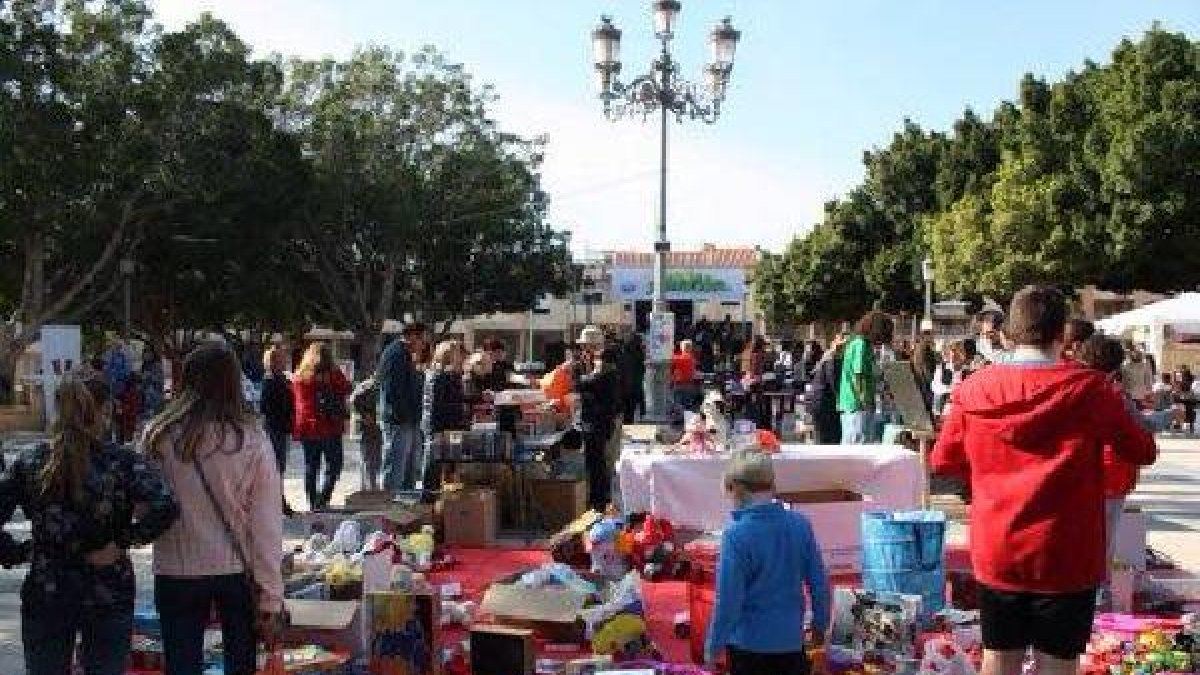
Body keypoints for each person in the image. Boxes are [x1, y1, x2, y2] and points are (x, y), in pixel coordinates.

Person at [931, 286, 1156, 675]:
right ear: (1062, 333)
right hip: (1066, 551)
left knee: (999, 657)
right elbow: (1142, 450)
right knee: (1058, 662)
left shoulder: (973, 388)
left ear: (1008, 332)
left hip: (998, 544)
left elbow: (943, 460)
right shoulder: (1091, 388)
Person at [0, 377, 178, 675]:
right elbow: (166, 506)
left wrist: (17, 552)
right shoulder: (121, 462)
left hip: (48, 587)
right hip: (108, 588)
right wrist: (123, 541)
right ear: (103, 411)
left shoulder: (32, 461)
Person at [705, 452, 830, 675]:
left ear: (736, 488)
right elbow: (819, 583)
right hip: (791, 641)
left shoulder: (735, 534)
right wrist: (820, 625)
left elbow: (728, 600)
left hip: (749, 645)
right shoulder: (800, 524)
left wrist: (713, 648)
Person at [291, 343, 351, 511]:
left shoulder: (300, 376)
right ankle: (323, 499)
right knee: (334, 464)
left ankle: (313, 503)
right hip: (329, 426)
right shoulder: (332, 374)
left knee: (311, 466)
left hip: (307, 427)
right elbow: (347, 388)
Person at [378, 323, 430, 492]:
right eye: (422, 340)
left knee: (410, 468)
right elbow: (394, 391)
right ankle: (389, 501)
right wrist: (404, 416)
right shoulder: (396, 354)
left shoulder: (406, 354)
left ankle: (407, 500)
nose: (424, 345)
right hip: (399, 420)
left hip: (410, 419)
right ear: (412, 336)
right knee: (396, 468)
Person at [575, 326, 620, 510]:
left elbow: (590, 382)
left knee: (598, 461)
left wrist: (580, 381)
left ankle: (599, 502)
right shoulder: (590, 362)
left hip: (600, 419)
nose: (583, 350)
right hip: (593, 418)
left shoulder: (606, 361)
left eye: (585, 346)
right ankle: (597, 499)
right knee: (595, 460)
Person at [417, 341, 469, 493]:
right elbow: (437, 404)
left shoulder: (449, 374)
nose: (460, 357)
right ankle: (429, 495)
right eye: (457, 353)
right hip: (439, 426)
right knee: (434, 464)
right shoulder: (438, 375)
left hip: (449, 426)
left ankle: (440, 494)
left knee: (446, 464)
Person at [837, 311, 894, 444]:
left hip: (856, 405)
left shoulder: (861, 344)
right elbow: (859, 376)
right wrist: (865, 402)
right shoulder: (861, 345)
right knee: (858, 447)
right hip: (857, 406)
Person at [259, 345, 295, 515]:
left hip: (282, 428)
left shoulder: (283, 380)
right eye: (280, 359)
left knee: (280, 467)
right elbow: (265, 407)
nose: (284, 362)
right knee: (276, 467)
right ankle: (277, 501)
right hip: (275, 428)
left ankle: (279, 500)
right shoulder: (269, 382)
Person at [806, 335, 845, 445]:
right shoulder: (831, 359)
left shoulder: (827, 358)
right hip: (824, 404)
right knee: (827, 439)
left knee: (824, 437)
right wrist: (842, 400)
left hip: (821, 403)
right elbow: (834, 383)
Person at [620, 333, 646, 423]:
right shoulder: (639, 354)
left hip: (625, 387)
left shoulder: (624, 353)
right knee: (630, 411)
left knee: (626, 411)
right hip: (634, 387)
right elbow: (642, 371)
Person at [671, 340, 700, 414]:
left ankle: (681, 417)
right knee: (687, 405)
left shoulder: (679, 358)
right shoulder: (692, 358)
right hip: (690, 384)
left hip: (679, 384)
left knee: (678, 404)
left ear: (682, 348)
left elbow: (671, 360)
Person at [140, 344, 166, 421]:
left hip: (155, 395)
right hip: (146, 395)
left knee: (155, 417)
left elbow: (160, 379)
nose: (146, 355)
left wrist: (149, 376)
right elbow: (143, 381)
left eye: (148, 353)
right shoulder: (144, 365)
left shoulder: (157, 365)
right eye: (145, 353)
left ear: (153, 354)